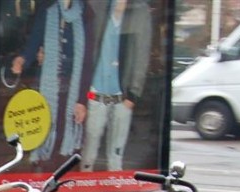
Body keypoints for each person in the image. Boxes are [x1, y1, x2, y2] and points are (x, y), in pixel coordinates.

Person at [11, 0, 95, 166]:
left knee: (65, 144)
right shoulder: (46, 7)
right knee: (44, 132)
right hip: (47, 85)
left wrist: (82, 101)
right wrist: (23, 60)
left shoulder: (86, 12)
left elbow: (87, 60)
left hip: (72, 86)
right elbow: (34, 41)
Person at [80, 0, 151, 172]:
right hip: (94, 93)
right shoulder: (99, 8)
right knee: (89, 150)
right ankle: (84, 189)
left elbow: (142, 53)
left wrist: (133, 93)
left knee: (116, 155)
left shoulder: (140, 12)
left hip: (123, 95)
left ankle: (116, 191)